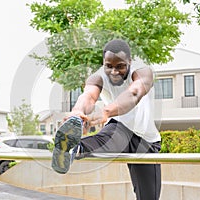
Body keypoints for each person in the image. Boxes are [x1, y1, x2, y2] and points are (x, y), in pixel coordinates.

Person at [52, 39, 161, 200]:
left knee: (149, 198)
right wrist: (77, 111)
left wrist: (106, 111)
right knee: (109, 135)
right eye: (109, 66)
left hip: (147, 141)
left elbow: (134, 93)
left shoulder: (143, 71)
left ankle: (76, 147)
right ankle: (74, 148)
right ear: (103, 63)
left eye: (120, 66)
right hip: (120, 128)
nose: (114, 72)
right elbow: (88, 96)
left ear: (130, 62)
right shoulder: (98, 76)